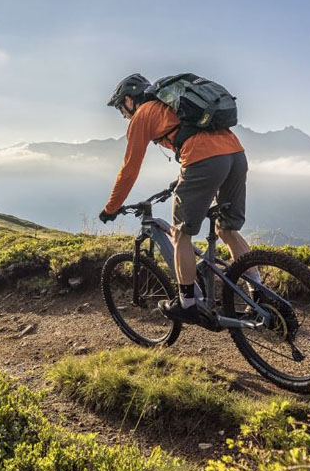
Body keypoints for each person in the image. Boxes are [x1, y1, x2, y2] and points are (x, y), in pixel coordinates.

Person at [99, 73, 255, 327]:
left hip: (204, 160)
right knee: (227, 230)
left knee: (181, 235)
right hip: (236, 155)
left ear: (129, 99)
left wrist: (111, 208)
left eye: (121, 109)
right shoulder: (170, 106)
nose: (123, 115)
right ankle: (259, 296)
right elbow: (194, 138)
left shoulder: (143, 114)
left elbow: (129, 169)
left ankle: (187, 303)